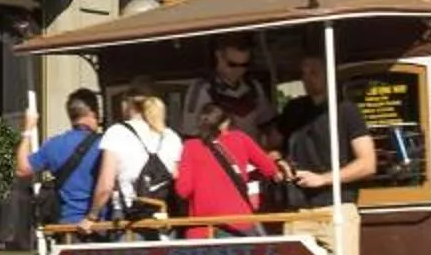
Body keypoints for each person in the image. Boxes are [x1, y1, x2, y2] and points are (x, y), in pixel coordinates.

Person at [278, 53, 377, 255]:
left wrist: (323, 179)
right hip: (298, 209)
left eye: (315, 71)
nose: (309, 77)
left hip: (336, 206)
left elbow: (367, 163)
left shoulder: (346, 111)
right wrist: (278, 162)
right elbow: (273, 147)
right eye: (304, 71)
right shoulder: (294, 111)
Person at [174, 104, 279, 236]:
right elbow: (269, 169)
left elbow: (183, 190)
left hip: (205, 227)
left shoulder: (191, 146)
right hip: (239, 221)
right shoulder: (240, 138)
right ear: (226, 122)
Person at [15, 89, 113, 230]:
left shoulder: (54, 145)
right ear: (93, 113)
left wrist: (27, 130)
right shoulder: (108, 144)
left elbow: (21, 169)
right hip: (102, 225)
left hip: (67, 227)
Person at [92, 91, 185, 227]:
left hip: (130, 221)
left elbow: (106, 185)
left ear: (126, 104)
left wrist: (92, 216)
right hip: (165, 221)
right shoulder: (171, 136)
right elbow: (178, 179)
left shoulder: (116, 132)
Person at [179, 36, 278, 149]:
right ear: (219, 56)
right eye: (232, 64)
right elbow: (191, 134)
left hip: (251, 157)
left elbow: (267, 125)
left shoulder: (253, 87)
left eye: (244, 65)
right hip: (219, 158)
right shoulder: (202, 88)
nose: (239, 70)